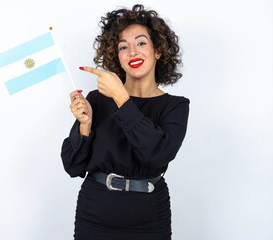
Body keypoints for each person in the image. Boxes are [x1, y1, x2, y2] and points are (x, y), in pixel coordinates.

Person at [61, 4, 189, 240]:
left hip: (150, 217)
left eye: (141, 43)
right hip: (95, 213)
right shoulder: (96, 100)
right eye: (123, 47)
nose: (132, 52)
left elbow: (158, 155)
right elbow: (73, 167)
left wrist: (121, 96)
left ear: (158, 51)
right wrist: (85, 126)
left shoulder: (175, 106)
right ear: (116, 56)